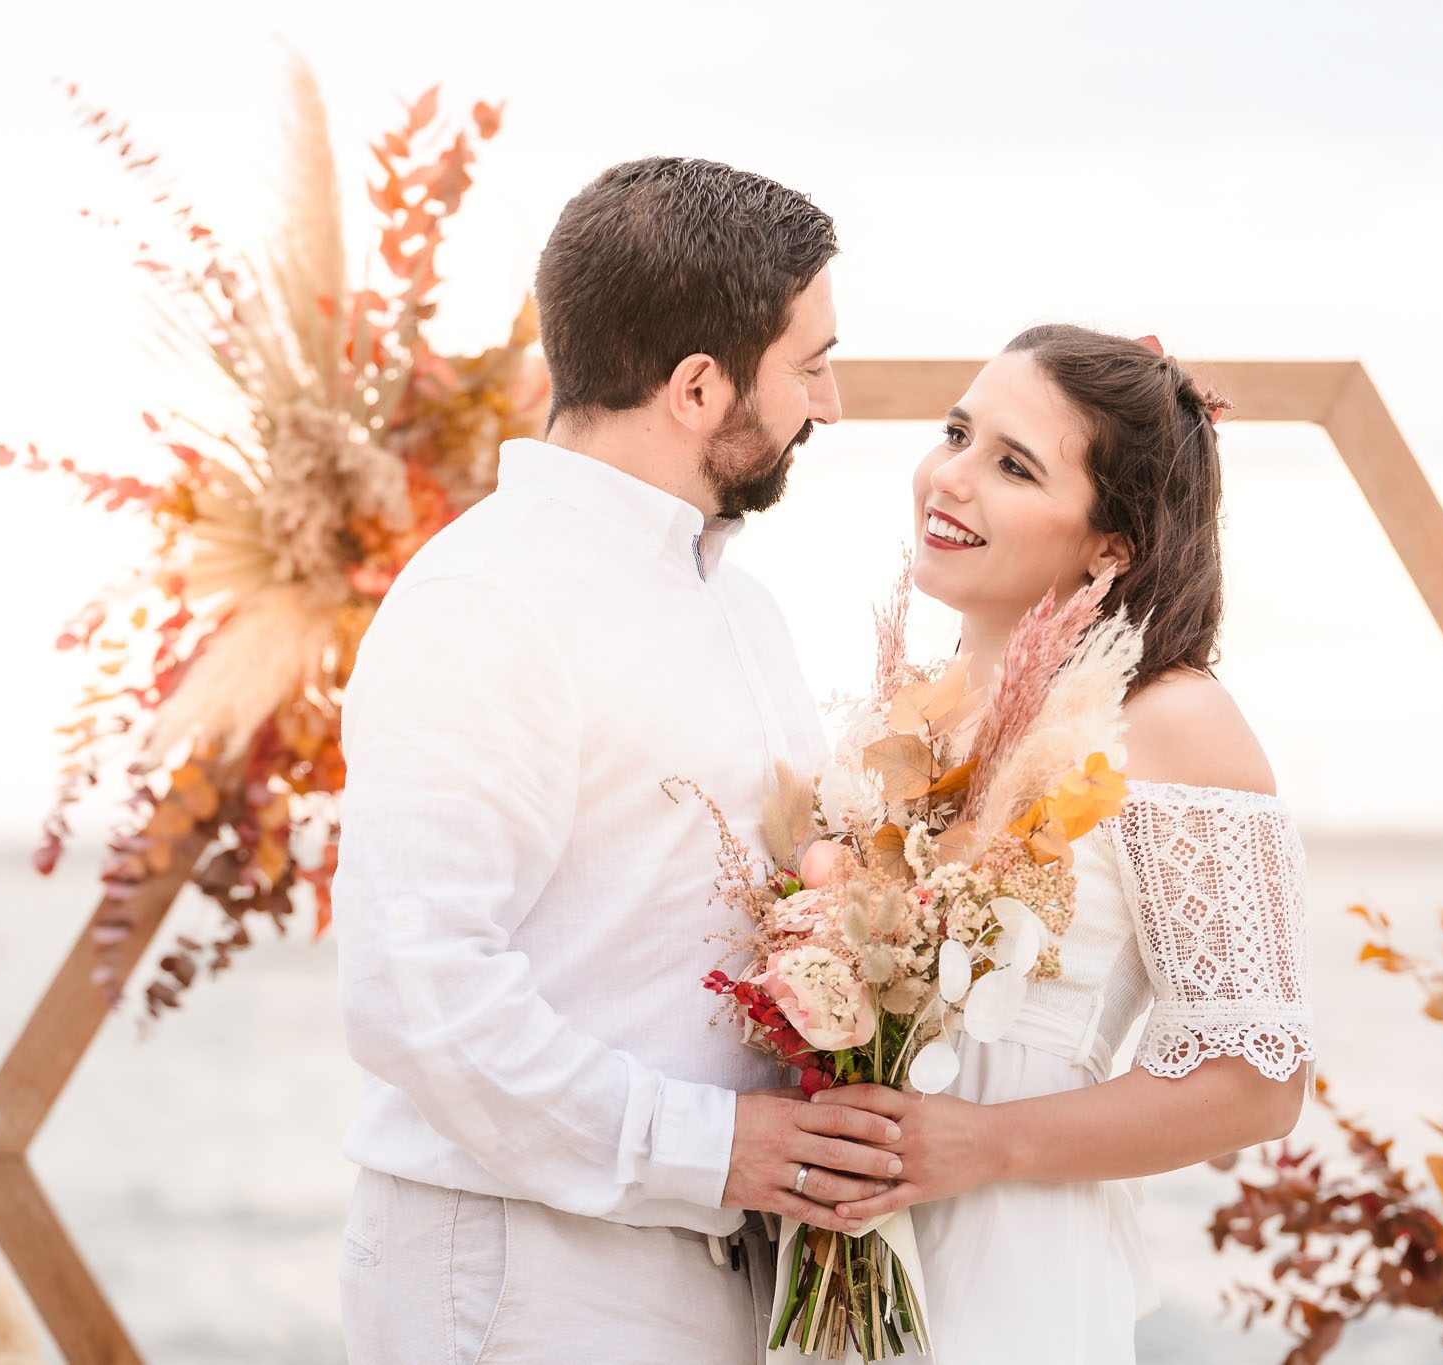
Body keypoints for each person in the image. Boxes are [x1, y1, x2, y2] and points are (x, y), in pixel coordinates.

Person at [332, 157, 904, 1365]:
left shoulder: (742, 611)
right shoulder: (488, 601)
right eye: (809, 365)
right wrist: (715, 1151)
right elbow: (415, 990)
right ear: (698, 387)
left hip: (711, 1268)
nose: (832, 404)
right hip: (526, 1281)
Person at [814, 324, 1315, 1363]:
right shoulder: (903, 713)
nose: (949, 478)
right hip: (842, 1258)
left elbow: (1257, 1083)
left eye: (1011, 464)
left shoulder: (1170, 719)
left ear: (1110, 545)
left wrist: (986, 1147)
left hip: (1013, 1259)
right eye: (956, 434)